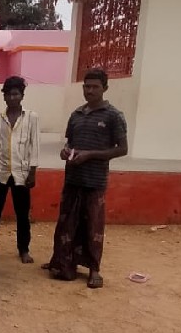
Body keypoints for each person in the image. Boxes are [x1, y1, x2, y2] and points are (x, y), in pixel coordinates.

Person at [43, 68, 128, 289]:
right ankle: (61, 261)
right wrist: (65, 151)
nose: (89, 91)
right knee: (66, 223)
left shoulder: (113, 116)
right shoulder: (76, 115)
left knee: (93, 227)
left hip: (95, 180)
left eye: (94, 87)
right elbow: (69, 143)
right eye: (86, 86)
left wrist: (91, 155)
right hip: (73, 178)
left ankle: (94, 270)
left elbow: (122, 149)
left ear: (105, 88)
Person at [0, 76, 40, 263]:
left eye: (16, 94)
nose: (12, 98)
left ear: (22, 95)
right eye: (9, 94)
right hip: (0, 172)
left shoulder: (31, 117)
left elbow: (34, 145)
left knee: (22, 214)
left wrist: (33, 172)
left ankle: (24, 249)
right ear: (4, 96)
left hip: (22, 174)